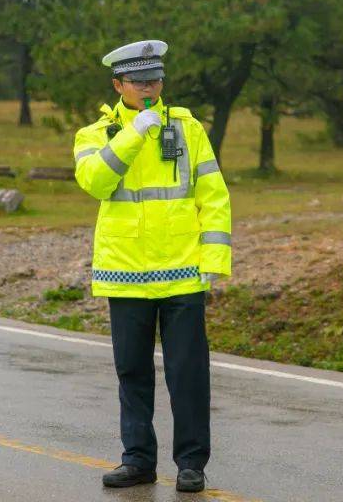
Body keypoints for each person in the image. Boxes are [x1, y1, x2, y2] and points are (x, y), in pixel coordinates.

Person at [72, 39, 232, 494]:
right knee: (133, 374)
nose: (149, 88)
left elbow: (213, 194)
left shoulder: (187, 128)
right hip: (125, 274)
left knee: (188, 373)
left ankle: (191, 464)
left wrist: (215, 258)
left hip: (182, 271)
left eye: (155, 80)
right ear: (118, 83)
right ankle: (138, 460)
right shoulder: (93, 135)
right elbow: (97, 183)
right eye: (139, 81)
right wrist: (134, 132)